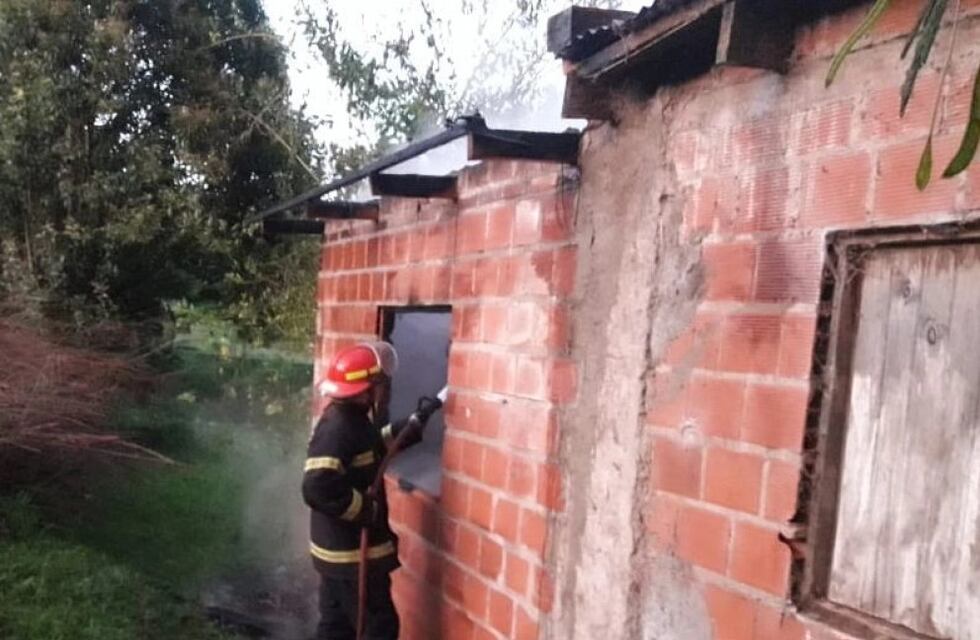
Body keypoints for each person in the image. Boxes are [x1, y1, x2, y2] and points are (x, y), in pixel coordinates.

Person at [302, 341, 442, 640]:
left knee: (336, 628)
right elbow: (316, 486)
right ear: (365, 389)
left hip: (340, 556)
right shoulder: (339, 427)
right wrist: (366, 510)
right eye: (379, 383)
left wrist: (415, 422)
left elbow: (374, 448)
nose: (383, 389)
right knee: (378, 629)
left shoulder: (351, 420)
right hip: (352, 556)